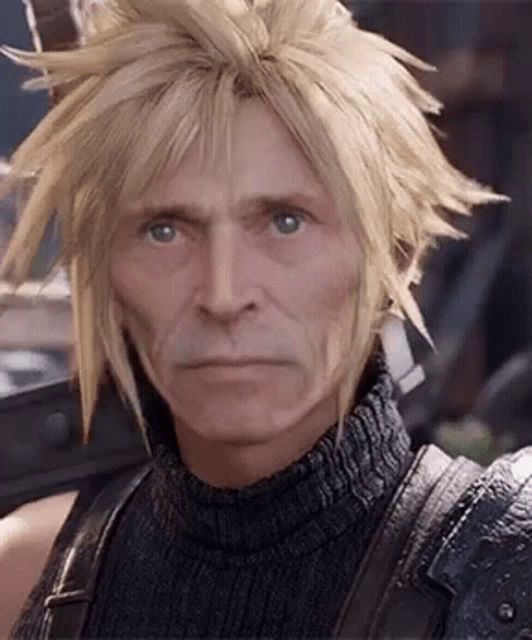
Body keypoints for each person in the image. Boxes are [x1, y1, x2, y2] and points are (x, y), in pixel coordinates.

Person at [0, 0, 530, 638]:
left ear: (394, 254)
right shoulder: (31, 579)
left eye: (285, 222)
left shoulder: (509, 570)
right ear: (106, 271)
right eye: (164, 230)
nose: (223, 295)